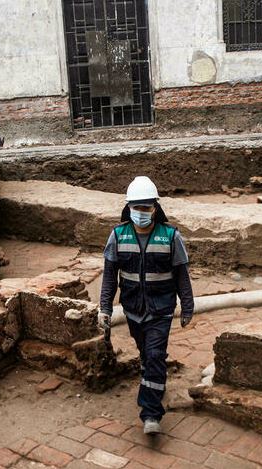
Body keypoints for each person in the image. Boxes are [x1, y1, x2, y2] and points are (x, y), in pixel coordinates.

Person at [98, 176, 195, 435]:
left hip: (161, 309)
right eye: (137, 207)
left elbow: (181, 275)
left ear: (155, 208)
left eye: (146, 207)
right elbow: (110, 276)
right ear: (129, 208)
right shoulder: (118, 235)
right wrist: (104, 308)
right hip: (133, 309)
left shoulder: (170, 236)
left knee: (153, 354)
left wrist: (187, 307)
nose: (141, 212)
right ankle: (155, 380)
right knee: (147, 354)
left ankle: (151, 413)